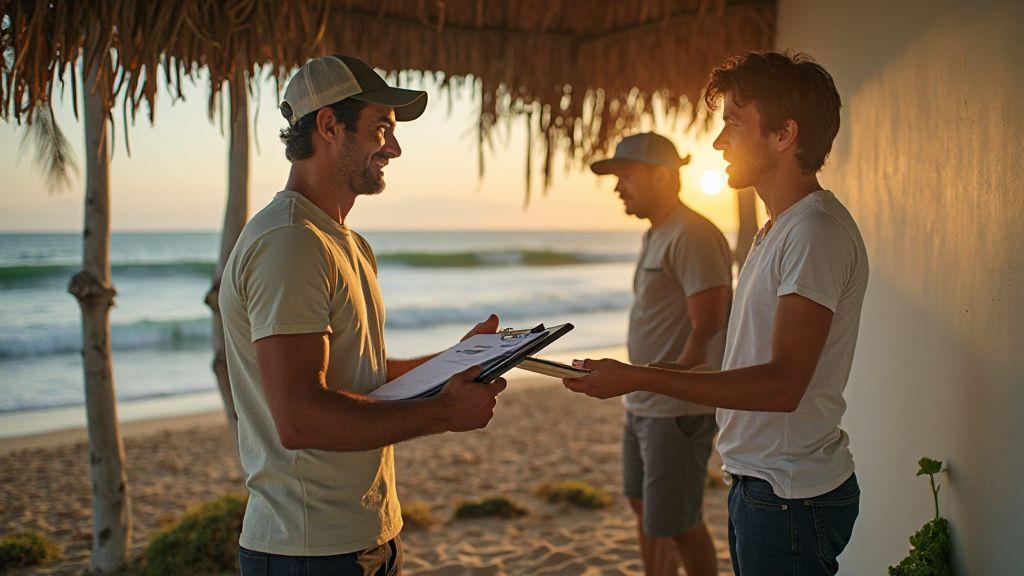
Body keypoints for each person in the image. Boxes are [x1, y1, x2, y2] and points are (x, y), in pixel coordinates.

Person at [564, 51, 868, 576]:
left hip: (788, 494)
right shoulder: (780, 228)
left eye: (732, 123)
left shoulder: (814, 232)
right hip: (764, 483)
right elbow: (744, 362)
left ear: (783, 135)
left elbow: (782, 386)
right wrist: (637, 377)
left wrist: (638, 377)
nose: (718, 140)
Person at [219, 55, 507, 576]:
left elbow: (359, 375)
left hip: (363, 538)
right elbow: (300, 416)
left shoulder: (344, 240)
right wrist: (443, 414)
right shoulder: (290, 241)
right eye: (380, 129)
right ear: (329, 126)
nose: (393, 148)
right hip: (308, 549)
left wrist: (456, 360)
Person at [590, 133, 732, 576]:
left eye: (626, 176)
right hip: (644, 399)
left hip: (675, 406)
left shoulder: (692, 234)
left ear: (665, 176)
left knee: (678, 525)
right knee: (644, 507)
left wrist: (668, 379)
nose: (617, 189)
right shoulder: (658, 233)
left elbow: (709, 320)